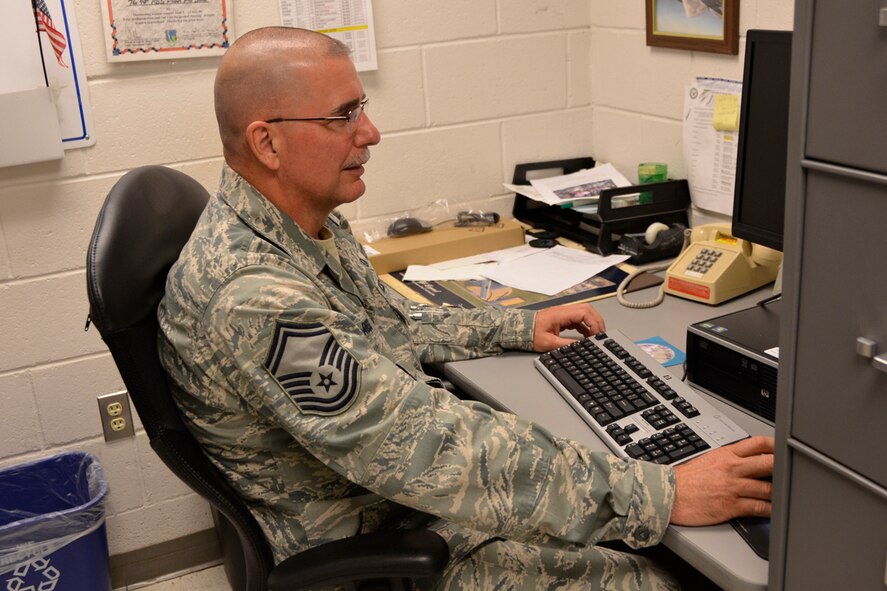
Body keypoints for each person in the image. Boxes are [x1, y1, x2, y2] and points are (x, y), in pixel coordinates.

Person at [158, 26, 773, 590]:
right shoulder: (254, 296)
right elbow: (421, 448)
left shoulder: (303, 224)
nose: (369, 133)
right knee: (659, 579)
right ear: (267, 141)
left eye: (362, 108)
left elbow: (385, 328)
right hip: (382, 538)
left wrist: (516, 324)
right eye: (343, 116)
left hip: (399, 495)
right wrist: (658, 493)